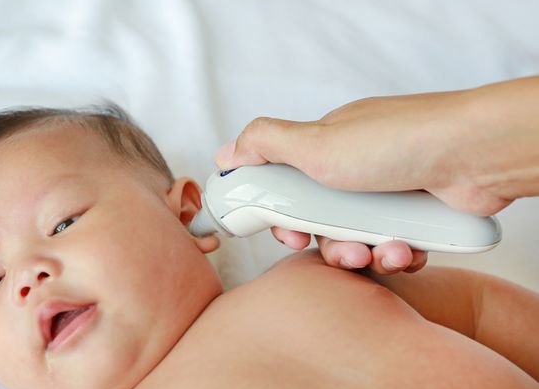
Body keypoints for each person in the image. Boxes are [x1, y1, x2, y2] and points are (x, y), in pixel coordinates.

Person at [0, 103, 539, 389]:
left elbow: (480, 310)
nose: (27, 275)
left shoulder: (320, 274)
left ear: (185, 212)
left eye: (63, 223)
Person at [215, 75, 539, 275]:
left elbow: (481, 309)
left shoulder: (300, 284)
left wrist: (456, 151)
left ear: (189, 206)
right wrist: (468, 158)